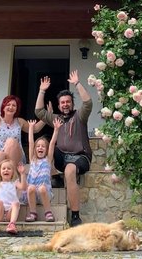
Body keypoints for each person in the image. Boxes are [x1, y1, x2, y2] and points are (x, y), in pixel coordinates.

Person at [0, 69, 46, 205]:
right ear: (3, 107)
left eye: (14, 105)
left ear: (16, 109)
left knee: (11, 142)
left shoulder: (19, 122)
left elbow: (36, 128)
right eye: (8, 104)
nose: (11, 107)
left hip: (16, 159)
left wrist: (47, 116)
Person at [35, 70, 93, 227]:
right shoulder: (55, 118)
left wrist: (77, 83)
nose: (65, 104)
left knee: (69, 170)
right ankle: (53, 177)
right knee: (47, 146)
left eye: (68, 102)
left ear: (72, 104)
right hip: (62, 158)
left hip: (80, 157)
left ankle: (75, 216)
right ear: (59, 105)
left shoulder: (80, 116)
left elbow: (88, 103)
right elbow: (39, 112)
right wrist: (42, 90)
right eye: (62, 102)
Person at [20, 117, 62, 222]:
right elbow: (30, 143)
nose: (40, 148)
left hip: (44, 192)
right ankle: (33, 213)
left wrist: (56, 130)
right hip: (32, 193)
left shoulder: (48, 160)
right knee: (31, 188)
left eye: (43, 146)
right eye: (38, 146)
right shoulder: (32, 159)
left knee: (42, 188)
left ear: (46, 150)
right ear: (35, 149)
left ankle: (48, 212)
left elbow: (52, 143)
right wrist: (30, 128)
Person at [0, 158, 27, 235]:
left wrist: (22, 174)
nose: (6, 170)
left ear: (13, 172)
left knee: (16, 203)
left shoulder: (14, 182)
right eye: (3, 168)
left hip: (9, 214)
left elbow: (23, 187)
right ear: (0, 172)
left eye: (9, 169)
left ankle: (12, 224)